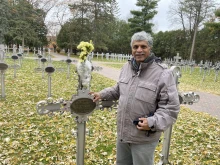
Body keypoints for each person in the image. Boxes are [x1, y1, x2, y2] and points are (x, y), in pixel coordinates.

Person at [90, 31, 180, 165]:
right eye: (135, 47)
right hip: (123, 134)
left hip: (143, 138)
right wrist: (102, 94)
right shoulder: (127, 67)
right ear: (131, 49)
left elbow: (170, 108)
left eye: (143, 47)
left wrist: (152, 122)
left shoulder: (163, 73)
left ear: (150, 48)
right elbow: (119, 88)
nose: (139, 50)